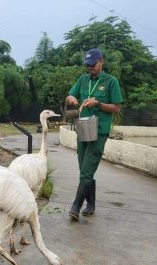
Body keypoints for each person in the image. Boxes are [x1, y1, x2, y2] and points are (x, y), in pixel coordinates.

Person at [66, 48, 123, 221]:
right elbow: (70, 95)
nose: (89, 67)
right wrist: (71, 99)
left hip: (99, 131)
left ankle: (76, 206)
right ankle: (91, 204)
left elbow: (116, 108)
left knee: (86, 170)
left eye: (93, 64)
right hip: (83, 128)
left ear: (101, 62)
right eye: (87, 65)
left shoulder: (111, 81)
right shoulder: (83, 80)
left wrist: (97, 103)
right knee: (84, 168)